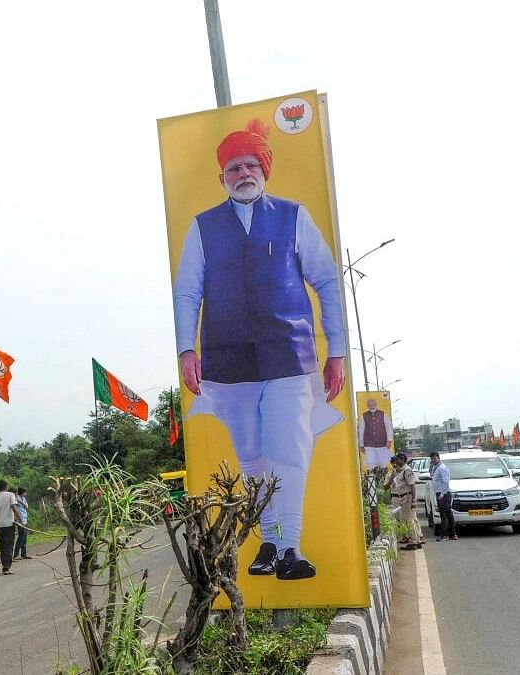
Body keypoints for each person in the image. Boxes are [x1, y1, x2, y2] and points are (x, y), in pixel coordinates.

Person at [172, 118, 347, 581]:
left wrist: (337, 352)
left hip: (289, 355)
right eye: (233, 167)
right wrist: (185, 350)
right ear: (222, 177)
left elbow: (327, 280)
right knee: (251, 455)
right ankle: (269, 540)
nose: (243, 172)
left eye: (251, 164)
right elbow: (187, 292)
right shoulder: (203, 227)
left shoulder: (293, 216)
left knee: (288, 449)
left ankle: (291, 548)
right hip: (227, 360)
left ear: (264, 168)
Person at [388, 453, 422, 550]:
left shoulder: (407, 470)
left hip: (407, 497)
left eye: (398, 459)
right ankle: (417, 540)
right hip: (403, 498)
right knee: (409, 519)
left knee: (409, 520)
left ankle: (413, 542)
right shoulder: (401, 471)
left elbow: (412, 485)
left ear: (402, 459)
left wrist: (414, 500)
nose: (396, 461)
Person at [0, 479, 22, 575]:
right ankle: (6, 567)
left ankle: (5, 565)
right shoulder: (11, 495)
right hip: (9, 524)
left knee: (3, 545)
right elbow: (14, 508)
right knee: (9, 545)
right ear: (6, 486)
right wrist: (20, 520)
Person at [358, 397, 394, 470]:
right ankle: (372, 479)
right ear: (368, 406)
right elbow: (361, 430)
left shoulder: (383, 414)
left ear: (376, 404)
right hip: (369, 444)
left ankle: (383, 478)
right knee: (371, 462)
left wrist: (389, 440)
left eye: (373, 404)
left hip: (383, 443)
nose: (372, 406)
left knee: (383, 462)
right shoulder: (364, 416)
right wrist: (361, 445)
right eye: (370, 405)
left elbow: (389, 428)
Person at [430, 451, 456, 541]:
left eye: (434, 458)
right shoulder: (436, 468)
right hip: (441, 493)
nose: (433, 460)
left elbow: (445, 482)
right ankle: (452, 534)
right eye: (432, 459)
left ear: (438, 457)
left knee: (444, 515)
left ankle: (445, 535)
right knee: (447, 514)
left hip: (443, 494)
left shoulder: (441, 468)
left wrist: (441, 494)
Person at [13, 487, 31, 560]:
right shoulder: (15, 498)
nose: (26, 493)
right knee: (21, 536)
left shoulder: (22, 499)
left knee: (24, 537)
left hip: (25, 518)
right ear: (22, 492)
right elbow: (15, 508)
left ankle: (24, 553)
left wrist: (21, 502)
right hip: (20, 519)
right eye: (25, 492)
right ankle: (16, 554)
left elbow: (26, 506)